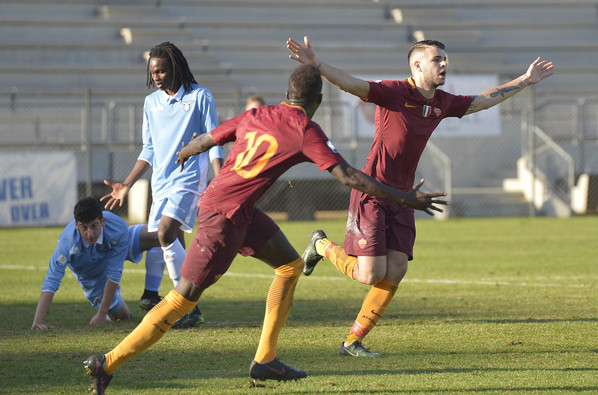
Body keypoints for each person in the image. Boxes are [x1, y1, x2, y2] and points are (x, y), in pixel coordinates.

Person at [83, 64, 447, 393]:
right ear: (317, 100)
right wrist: (405, 198)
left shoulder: (256, 113)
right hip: (222, 217)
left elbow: (210, 138)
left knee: (289, 266)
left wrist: (185, 152)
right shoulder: (305, 129)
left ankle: (266, 361)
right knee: (183, 298)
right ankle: (108, 362)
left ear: (287, 93)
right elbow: (348, 176)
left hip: (240, 211)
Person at [287, 36, 554, 357]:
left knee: (396, 268)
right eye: (437, 59)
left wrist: (525, 80)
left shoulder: (442, 102)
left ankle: (352, 342)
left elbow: (480, 100)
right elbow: (352, 85)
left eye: (445, 59)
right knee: (370, 274)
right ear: (417, 65)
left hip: (404, 197)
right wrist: (315, 65)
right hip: (372, 191)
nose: (444, 64)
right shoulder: (395, 92)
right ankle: (321, 245)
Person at [101, 42, 224, 328]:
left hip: (190, 178)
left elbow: (215, 141)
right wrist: (127, 184)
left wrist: (220, 181)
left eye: (161, 71)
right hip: (161, 183)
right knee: (168, 239)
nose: (156, 77)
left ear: (175, 68)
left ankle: (185, 305)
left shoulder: (200, 96)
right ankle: (188, 307)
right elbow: (149, 149)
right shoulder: (151, 103)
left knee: (166, 232)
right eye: (153, 72)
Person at [32, 197, 142, 329]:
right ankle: (111, 312)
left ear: (102, 221)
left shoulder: (118, 227)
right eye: (84, 227)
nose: (89, 234)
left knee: (158, 235)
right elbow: (52, 278)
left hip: (118, 249)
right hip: (91, 275)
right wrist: (38, 321)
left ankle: (151, 295)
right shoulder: (67, 242)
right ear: (76, 225)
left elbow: (115, 271)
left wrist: (102, 312)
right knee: (123, 317)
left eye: (94, 226)